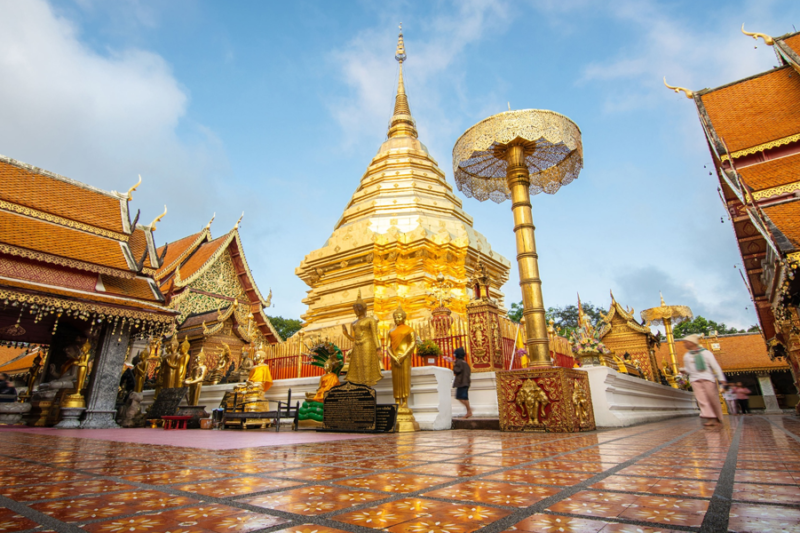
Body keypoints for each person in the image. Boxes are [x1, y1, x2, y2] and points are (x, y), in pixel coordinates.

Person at [679, 334, 726, 427]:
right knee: (702, 400)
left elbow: (715, 366)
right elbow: (689, 369)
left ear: (692, 343)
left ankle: (718, 418)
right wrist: (684, 370)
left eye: (686, 342)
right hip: (695, 379)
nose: (684, 344)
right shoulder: (687, 356)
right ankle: (710, 418)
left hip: (708, 378)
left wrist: (722, 379)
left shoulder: (706, 353)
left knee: (712, 398)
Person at [452, 347, 472, 418]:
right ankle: (469, 410)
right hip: (466, 382)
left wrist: (454, 364)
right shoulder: (465, 363)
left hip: (462, 383)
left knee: (461, 397)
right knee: (463, 397)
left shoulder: (459, 362)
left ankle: (469, 410)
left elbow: (456, 371)